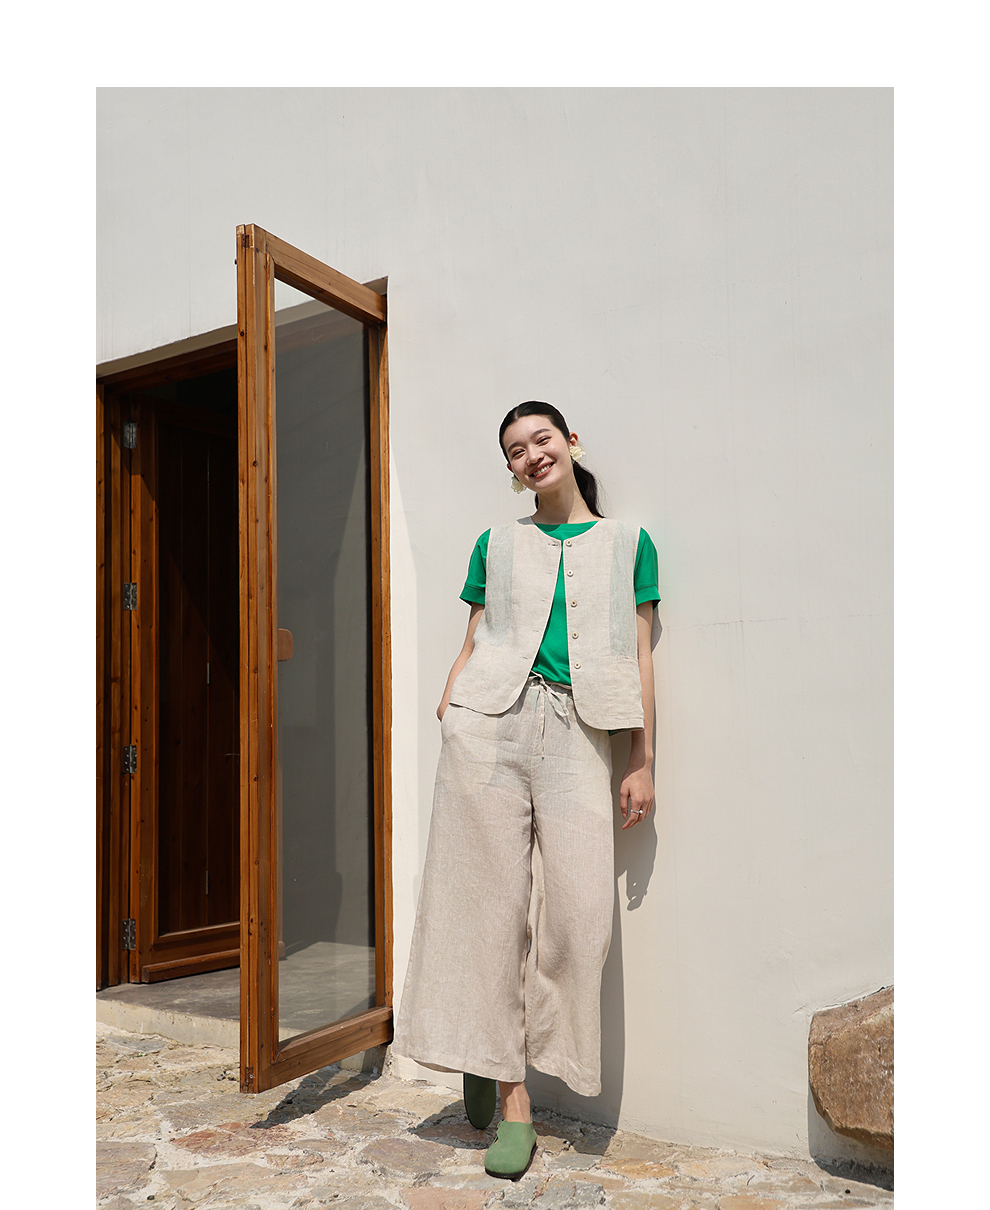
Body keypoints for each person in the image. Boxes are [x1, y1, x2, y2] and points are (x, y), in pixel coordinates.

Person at [391, 401, 659, 1180]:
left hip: (581, 732)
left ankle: (489, 1047)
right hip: (487, 728)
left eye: (542, 438)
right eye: (516, 449)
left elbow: (639, 654)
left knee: (579, 918)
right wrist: (451, 709)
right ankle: (511, 1096)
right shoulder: (495, 544)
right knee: (485, 909)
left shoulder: (629, 543)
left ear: (571, 442)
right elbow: (475, 638)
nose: (532, 454)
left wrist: (642, 759)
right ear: (510, 470)